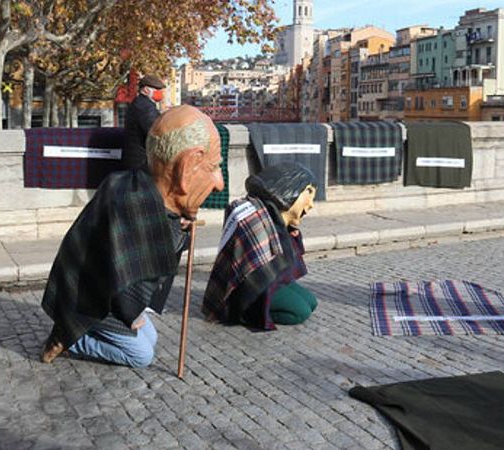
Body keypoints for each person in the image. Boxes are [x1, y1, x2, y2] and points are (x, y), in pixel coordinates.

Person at [39, 105, 224, 367]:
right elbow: (127, 282)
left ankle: (87, 330)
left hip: (101, 295)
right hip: (91, 301)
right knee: (142, 355)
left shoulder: (133, 184)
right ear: (187, 166)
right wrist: (131, 314)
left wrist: (180, 229)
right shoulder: (140, 209)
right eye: (213, 167)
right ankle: (73, 339)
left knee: (151, 336)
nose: (219, 183)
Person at [203, 163, 318, 330]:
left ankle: (273, 298)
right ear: (288, 188)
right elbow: (253, 263)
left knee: (311, 302)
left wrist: (289, 233)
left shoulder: (274, 215)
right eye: (308, 193)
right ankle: (249, 313)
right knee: (300, 312)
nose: (311, 204)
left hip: (272, 279)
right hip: (253, 288)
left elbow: (284, 254)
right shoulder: (253, 216)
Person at [123, 74, 166, 172]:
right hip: (142, 163)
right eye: (157, 89)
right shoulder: (145, 107)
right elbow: (157, 131)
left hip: (136, 161)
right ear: (146, 90)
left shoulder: (140, 103)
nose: (160, 92)